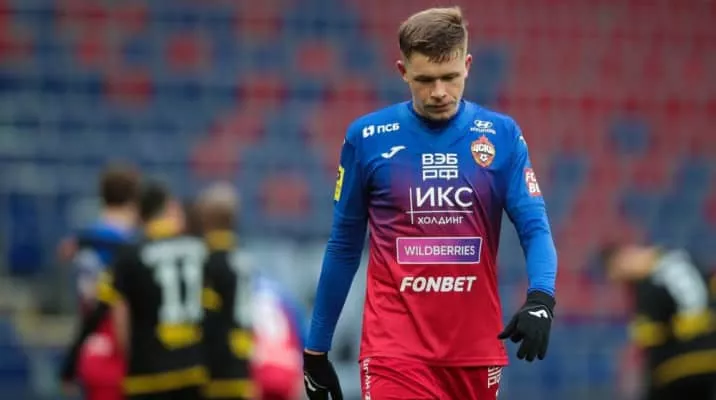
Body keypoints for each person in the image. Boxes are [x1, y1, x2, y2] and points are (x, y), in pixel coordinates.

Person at [302, 6, 558, 400]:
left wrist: (541, 298)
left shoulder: (501, 135)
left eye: (450, 77)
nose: (439, 92)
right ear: (403, 71)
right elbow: (343, 246)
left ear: (467, 66)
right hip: (393, 352)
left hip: (475, 352)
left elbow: (534, 226)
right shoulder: (367, 138)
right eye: (425, 80)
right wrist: (316, 350)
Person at [96, 181, 207, 400]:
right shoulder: (199, 250)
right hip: (192, 368)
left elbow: (116, 312)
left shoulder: (129, 255)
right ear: (170, 207)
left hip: (146, 372)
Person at [198, 183, 305, 400]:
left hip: (224, 371)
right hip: (263, 368)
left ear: (203, 220)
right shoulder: (249, 267)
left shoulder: (205, 264)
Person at [60, 163, 140, 400]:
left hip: (91, 349)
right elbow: (118, 306)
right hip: (119, 352)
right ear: (134, 201)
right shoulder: (129, 249)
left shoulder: (85, 242)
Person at [600, 243, 716, 400]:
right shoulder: (690, 261)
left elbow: (650, 337)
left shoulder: (651, 282)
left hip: (676, 366)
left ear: (622, 260)